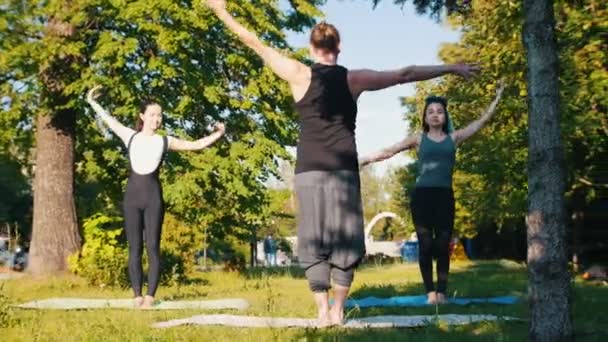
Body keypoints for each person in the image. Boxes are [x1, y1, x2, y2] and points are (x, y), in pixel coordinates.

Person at [206, 0, 478, 325]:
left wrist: (221, 11)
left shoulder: (296, 73)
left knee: (313, 240)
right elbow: (405, 74)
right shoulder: (355, 79)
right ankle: (337, 310)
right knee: (346, 242)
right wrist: (450, 68)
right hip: (344, 172)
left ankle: (322, 311)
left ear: (311, 47)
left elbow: (254, 42)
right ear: (340, 47)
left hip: (308, 171)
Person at [360, 81, 505, 304]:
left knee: (443, 244)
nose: (435, 115)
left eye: (439, 111)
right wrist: (363, 160)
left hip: (444, 197)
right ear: (425, 117)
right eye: (431, 112)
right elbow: (390, 150)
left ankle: (442, 293)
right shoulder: (418, 139)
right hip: (422, 197)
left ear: (445, 116)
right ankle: (430, 294)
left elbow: (481, 122)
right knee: (426, 244)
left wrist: (497, 98)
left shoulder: (454, 138)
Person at [85, 85, 226, 308]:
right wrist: (92, 101)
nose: (156, 119)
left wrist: (218, 133)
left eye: (159, 115)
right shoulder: (129, 136)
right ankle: (136, 295)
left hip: (153, 199)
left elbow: (195, 145)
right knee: (134, 248)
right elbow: (109, 119)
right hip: (131, 199)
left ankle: (150, 296)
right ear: (142, 116)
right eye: (152, 114)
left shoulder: (164, 141)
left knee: (152, 246)